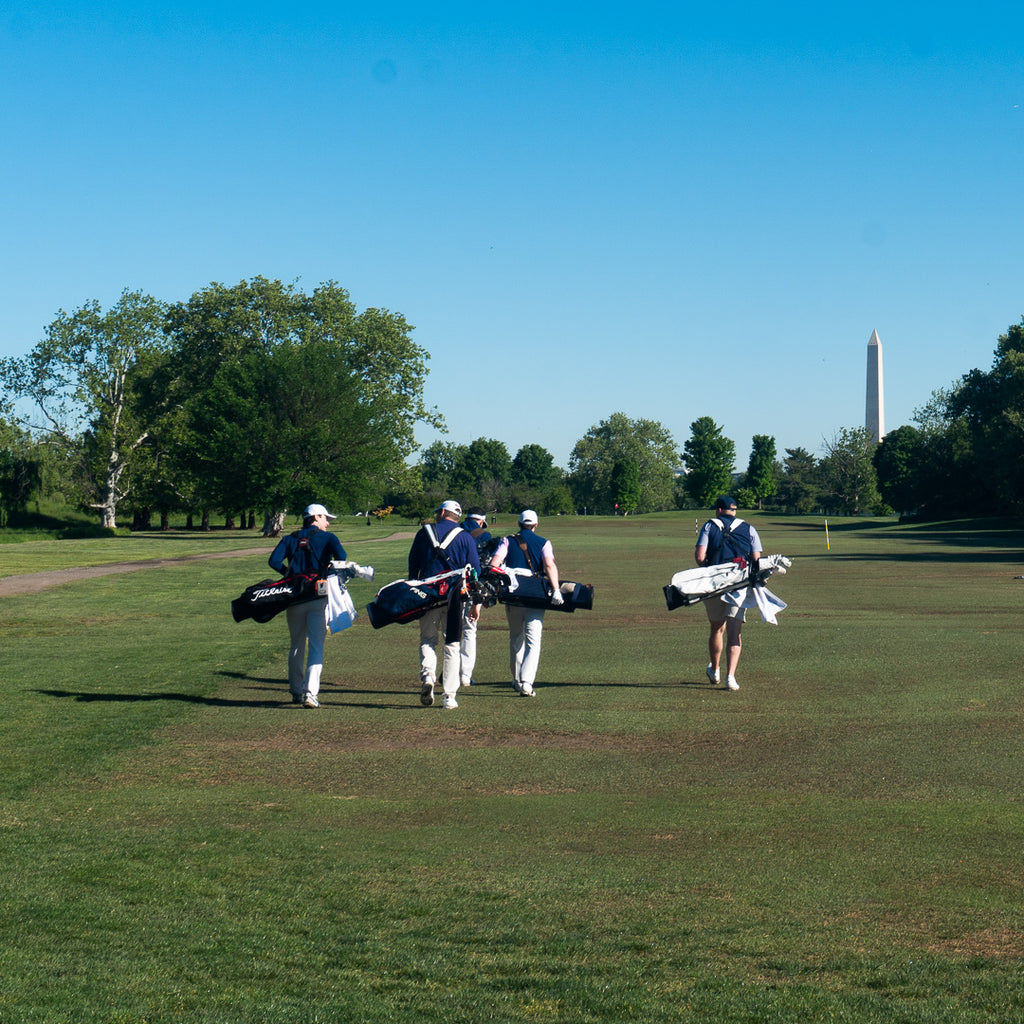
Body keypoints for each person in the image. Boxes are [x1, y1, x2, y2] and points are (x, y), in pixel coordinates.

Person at [268, 502, 347, 708]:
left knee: (296, 645)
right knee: (316, 646)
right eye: (325, 518)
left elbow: (274, 561)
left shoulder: (290, 538)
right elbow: (342, 558)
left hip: (294, 596)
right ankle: (311, 693)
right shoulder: (328, 538)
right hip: (317, 596)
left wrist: (289, 575)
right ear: (316, 518)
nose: (328, 523)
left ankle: (296, 690)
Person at [407, 499, 482, 710]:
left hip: (428, 594)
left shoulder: (424, 533)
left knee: (427, 640)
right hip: (455, 596)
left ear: (441, 512)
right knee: (452, 645)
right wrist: (476, 602)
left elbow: (413, 565)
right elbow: (475, 571)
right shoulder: (466, 538)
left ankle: (428, 678)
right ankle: (449, 696)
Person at [488, 509, 562, 697]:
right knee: (533, 640)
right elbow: (549, 565)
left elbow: (494, 564)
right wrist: (556, 589)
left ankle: (517, 679)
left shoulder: (508, 540)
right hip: (535, 593)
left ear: (519, 524)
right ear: (536, 525)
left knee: (516, 637)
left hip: (513, 593)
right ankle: (527, 682)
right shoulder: (544, 542)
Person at [694, 495, 763, 692]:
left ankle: (714, 670)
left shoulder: (709, 526)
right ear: (734, 511)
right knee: (735, 631)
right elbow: (756, 559)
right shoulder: (749, 528)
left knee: (717, 628)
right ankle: (730, 677)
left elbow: (700, 557)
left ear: (718, 510)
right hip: (739, 584)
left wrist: (709, 567)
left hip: (715, 582)